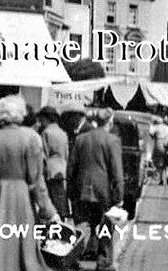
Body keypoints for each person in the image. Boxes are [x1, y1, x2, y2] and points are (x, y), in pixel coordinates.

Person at [0, 95, 58, 271]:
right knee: (22, 252)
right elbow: (36, 181)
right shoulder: (31, 138)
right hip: (20, 199)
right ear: (20, 114)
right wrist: (49, 211)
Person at [70, 108, 125, 271]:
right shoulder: (112, 140)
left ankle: (74, 256)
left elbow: (72, 166)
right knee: (106, 225)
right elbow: (116, 170)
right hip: (103, 189)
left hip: (82, 186)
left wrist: (71, 189)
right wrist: (119, 195)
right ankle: (104, 260)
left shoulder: (81, 139)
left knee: (83, 223)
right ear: (110, 121)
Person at [37, 106, 70, 220]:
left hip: (50, 170)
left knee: (51, 198)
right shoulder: (62, 133)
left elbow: (43, 154)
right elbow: (66, 153)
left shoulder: (46, 133)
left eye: (41, 119)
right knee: (60, 198)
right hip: (62, 169)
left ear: (46, 118)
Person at [149, 116, 168, 185]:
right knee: (166, 162)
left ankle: (161, 178)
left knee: (160, 162)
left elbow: (150, 133)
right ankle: (167, 178)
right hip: (166, 143)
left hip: (159, 142)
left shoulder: (156, 127)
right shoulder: (167, 127)